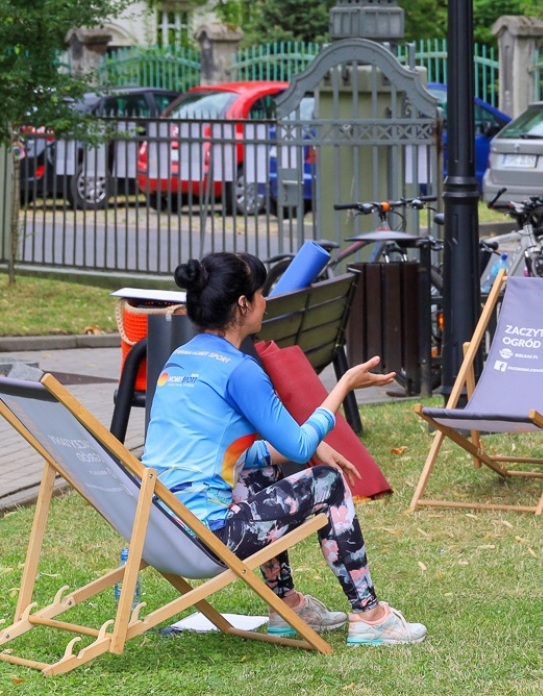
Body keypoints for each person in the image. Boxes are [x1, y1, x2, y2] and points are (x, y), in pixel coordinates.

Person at [142, 252, 426, 646]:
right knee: (327, 482)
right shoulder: (239, 369)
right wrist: (341, 386)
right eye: (261, 294)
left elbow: (228, 455)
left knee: (260, 469)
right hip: (208, 540)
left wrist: (307, 447)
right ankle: (370, 616)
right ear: (243, 304)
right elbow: (297, 443)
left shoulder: (180, 359)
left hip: (160, 531)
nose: (264, 302)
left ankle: (286, 604)